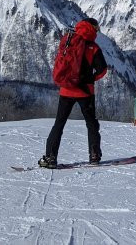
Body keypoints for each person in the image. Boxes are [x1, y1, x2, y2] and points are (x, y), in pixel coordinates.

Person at [39, 17, 109, 169]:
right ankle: (94, 155)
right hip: (85, 92)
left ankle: (50, 157)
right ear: (93, 28)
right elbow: (102, 70)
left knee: (59, 123)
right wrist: (90, 78)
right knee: (91, 124)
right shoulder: (93, 47)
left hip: (66, 89)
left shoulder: (69, 40)